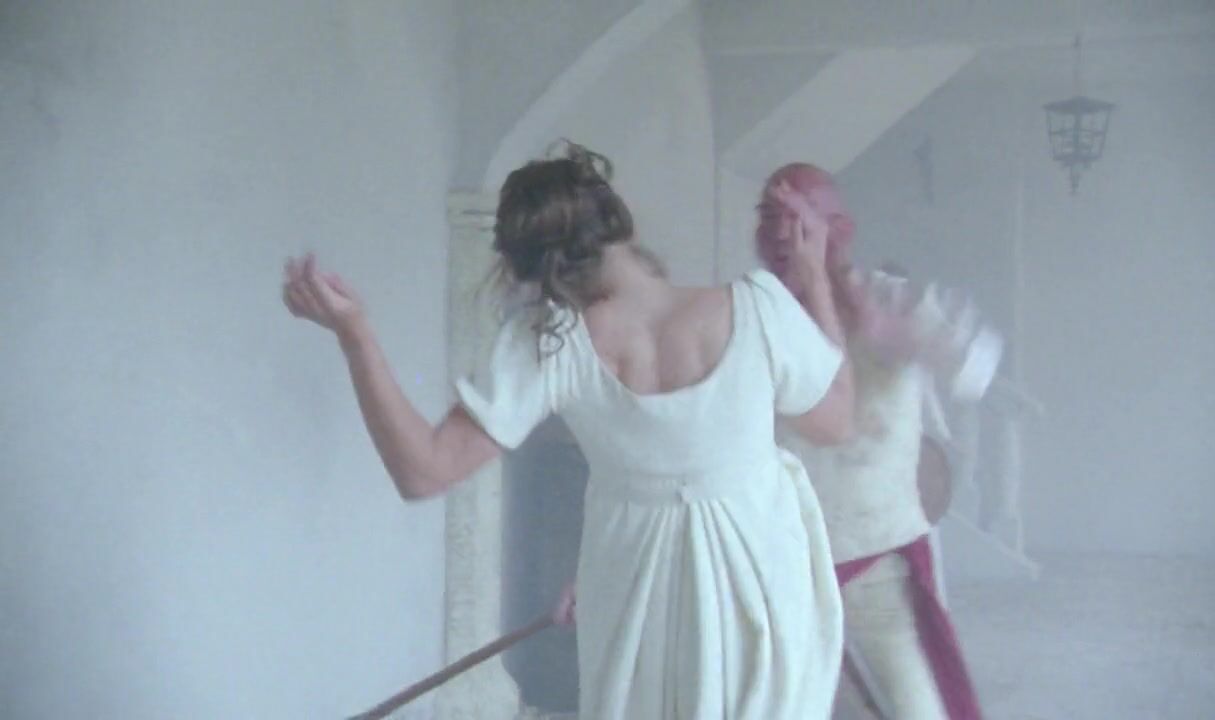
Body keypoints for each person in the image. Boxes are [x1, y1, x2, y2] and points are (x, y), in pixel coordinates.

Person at [282, 142, 855, 718]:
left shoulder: (552, 343)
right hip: (758, 584)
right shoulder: (758, 309)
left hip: (634, 586)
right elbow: (836, 420)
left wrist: (355, 335)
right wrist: (814, 277)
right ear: (618, 222)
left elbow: (423, 471)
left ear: (533, 268)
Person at [755, 163, 1002, 720]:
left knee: (917, 706)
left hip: (879, 557)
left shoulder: (889, 298)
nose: (780, 234)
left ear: (838, 229)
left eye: (796, 218)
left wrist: (894, 332)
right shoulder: (753, 311)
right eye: (768, 217)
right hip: (783, 560)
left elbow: (977, 368)